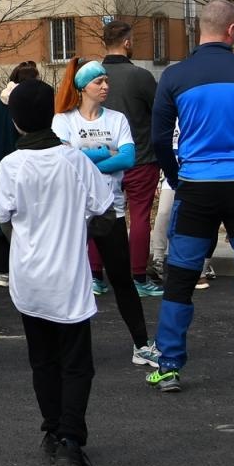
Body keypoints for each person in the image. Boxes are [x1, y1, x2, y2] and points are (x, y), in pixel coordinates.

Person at [148, 0, 234, 393]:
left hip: (196, 188)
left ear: (200, 29)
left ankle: (169, 366)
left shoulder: (175, 77)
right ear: (232, 31)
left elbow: (159, 138)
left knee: (181, 278)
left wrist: (177, 179)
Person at [0, 78, 114, 466]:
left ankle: (52, 430)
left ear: (15, 122)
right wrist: (76, 230)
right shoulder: (75, 161)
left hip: (29, 279)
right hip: (68, 278)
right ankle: (71, 441)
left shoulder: (10, 165)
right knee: (77, 364)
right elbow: (105, 213)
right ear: (52, 115)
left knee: (42, 360)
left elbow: (5, 220)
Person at [51, 58, 156, 366]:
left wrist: (86, 158)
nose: (106, 86)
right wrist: (101, 153)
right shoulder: (64, 120)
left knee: (122, 279)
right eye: (99, 82)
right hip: (75, 212)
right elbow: (65, 163)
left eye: (106, 81)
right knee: (69, 279)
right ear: (83, 88)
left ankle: (141, 344)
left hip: (111, 208)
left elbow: (127, 159)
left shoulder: (117, 119)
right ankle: (64, 347)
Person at [100, 20, 163, 295]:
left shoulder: (92, 75)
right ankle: (138, 277)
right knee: (139, 217)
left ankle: (95, 275)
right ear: (127, 42)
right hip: (139, 156)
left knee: (99, 215)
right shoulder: (140, 76)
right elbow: (160, 111)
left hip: (101, 158)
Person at [0, 62, 40, 286]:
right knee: (21, 213)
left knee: (1, 210)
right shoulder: (25, 103)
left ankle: (3, 269)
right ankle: (19, 268)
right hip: (19, 159)